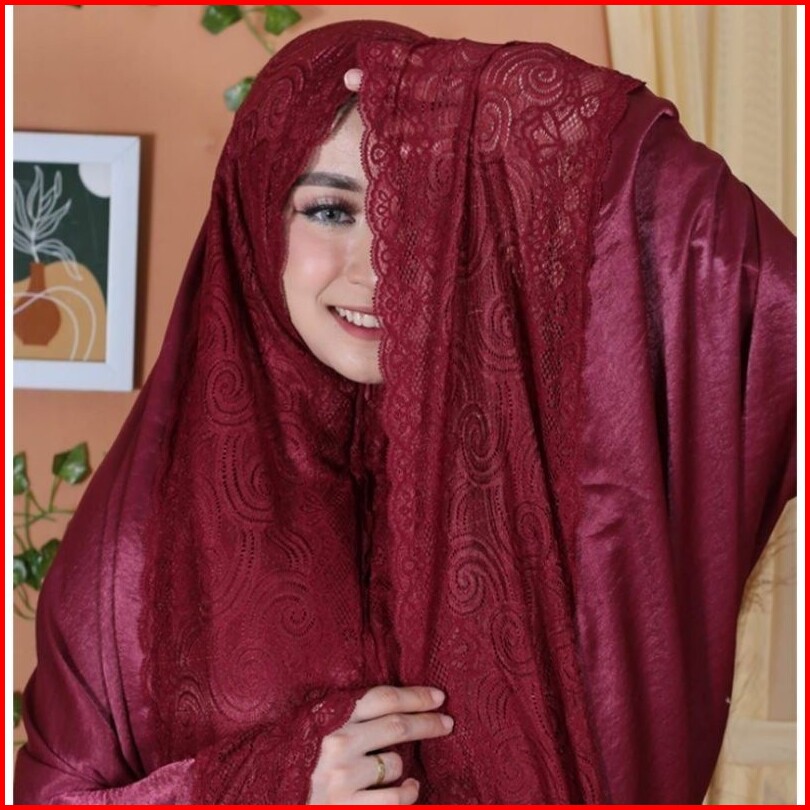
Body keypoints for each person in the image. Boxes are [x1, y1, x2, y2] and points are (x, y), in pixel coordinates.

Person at [14, 19, 796, 805]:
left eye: (413, 207)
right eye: (330, 211)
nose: (379, 268)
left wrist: (507, 104)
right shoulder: (135, 552)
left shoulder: (553, 462)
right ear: (255, 219)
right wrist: (271, 786)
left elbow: (768, 298)